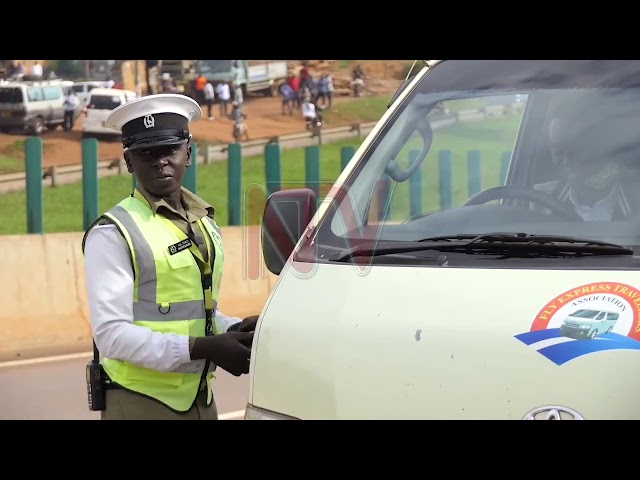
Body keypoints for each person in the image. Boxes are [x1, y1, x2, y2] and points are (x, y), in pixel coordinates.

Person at [82, 93, 259, 420]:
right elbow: (111, 336)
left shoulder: (203, 222)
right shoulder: (113, 233)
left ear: (188, 154)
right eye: (145, 152)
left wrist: (235, 329)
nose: (159, 160)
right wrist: (205, 348)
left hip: (200, 399)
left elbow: (194, 311)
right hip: (140, 402)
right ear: (128, 162)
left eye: (169, 150)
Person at [533, 94, 640, 221]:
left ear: (602, 148)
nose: (566, 161)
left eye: (576, 151)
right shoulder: (538, 199)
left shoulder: (636, 200)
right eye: (558, 152)